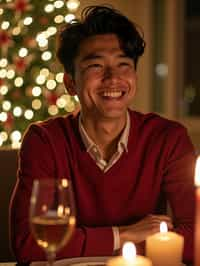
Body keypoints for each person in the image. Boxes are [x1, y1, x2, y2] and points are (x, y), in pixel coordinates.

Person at [9, 5, 196, 265]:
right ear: (71, 83)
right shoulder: (44, 141)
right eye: (96, 66)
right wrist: (123, 235)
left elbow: (194, 241)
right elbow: (28, 245)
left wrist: (79, 243)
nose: (113, 78)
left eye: (123, 65)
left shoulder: (168, 139)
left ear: (135, 76)